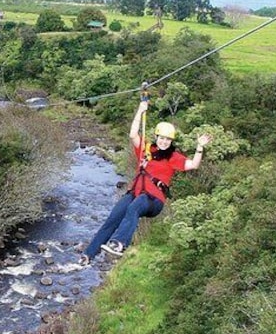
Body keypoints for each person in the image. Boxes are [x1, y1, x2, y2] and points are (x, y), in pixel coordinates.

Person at [80, 99, 212, 263]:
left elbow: (193, 164)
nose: (164, 142)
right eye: (161, 138)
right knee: (113, 218)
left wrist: (199, 147)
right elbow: (133, 134)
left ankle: (120, 243)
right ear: (157, 137)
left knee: (135, 206)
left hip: (154, 201)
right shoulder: (146, 149)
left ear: (171, 141)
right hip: (135, 193)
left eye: (167, 140)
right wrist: (140, 110)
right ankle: (88, 255)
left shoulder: (172, 157)